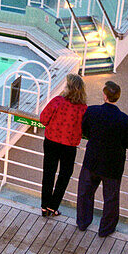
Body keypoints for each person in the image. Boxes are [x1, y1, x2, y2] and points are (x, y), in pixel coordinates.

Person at [76, 80, 128, 237]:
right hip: (113, 166)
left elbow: (85, 130)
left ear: (104, 96)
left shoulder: (92, 111)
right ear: (117, 97)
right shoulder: (126, 120)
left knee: (85, 193)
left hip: (92, 161)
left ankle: (83, 222)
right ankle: (106, 229)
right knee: (111, 199)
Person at [38, 73, 87, 216]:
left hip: (51, 141)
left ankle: (44, 206)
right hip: (69, 146)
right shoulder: (83, 109)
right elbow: (85, 129)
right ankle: (53, 206)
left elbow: (43, 119)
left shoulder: (57, 101)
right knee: (65, 174)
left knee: (48, 173)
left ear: (69, 87)